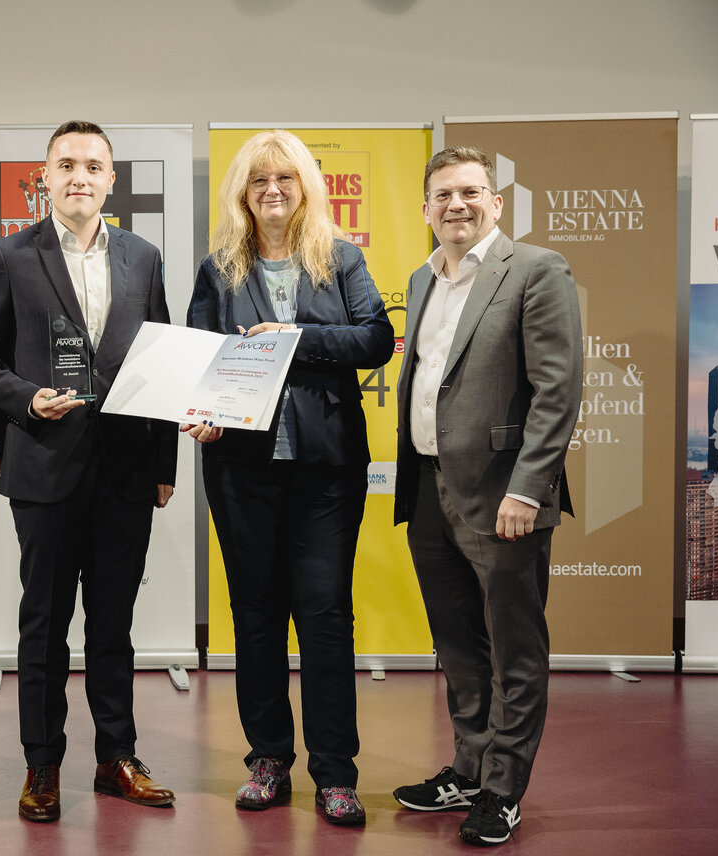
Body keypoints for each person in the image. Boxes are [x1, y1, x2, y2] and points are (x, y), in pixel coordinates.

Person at [0, 120, 178, 823]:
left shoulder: (144, 257)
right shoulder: (10, 256)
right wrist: (26, 399)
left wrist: (165, 463)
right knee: (43, 625)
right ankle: (42, 766)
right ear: (43, 179)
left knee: (114, 626)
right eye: (66, 164)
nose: (80, 175)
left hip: (126, 471)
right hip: (45, 468)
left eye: (93, 165)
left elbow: (165, 361)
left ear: (112, 180)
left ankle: (117, 758)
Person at [185, 130, 393, 825]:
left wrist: (290, 339)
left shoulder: (341, 259)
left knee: (326, 615)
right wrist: (204, 410)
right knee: (256, 614)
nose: (272, 191)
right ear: (241, 194)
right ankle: (269, 759)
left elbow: (373, 339)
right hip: (241, 469)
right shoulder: (218, 270)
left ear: (306, 187)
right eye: (257, 181)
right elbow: (201, 357)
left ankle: (336, 773)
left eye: (285, 179)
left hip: (326, 471)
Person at [392, 145, 583, 846]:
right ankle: (470, 768)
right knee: (459, 647)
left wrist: (529, 489)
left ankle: (502, 791)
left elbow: (557, 390)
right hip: (427, 488)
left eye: (470, 192)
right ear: (426, 210)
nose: (456, 206)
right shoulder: (421, 279)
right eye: (442, 196)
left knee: (515, 651)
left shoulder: (535, 269)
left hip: (504, 496)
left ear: (496, 202)